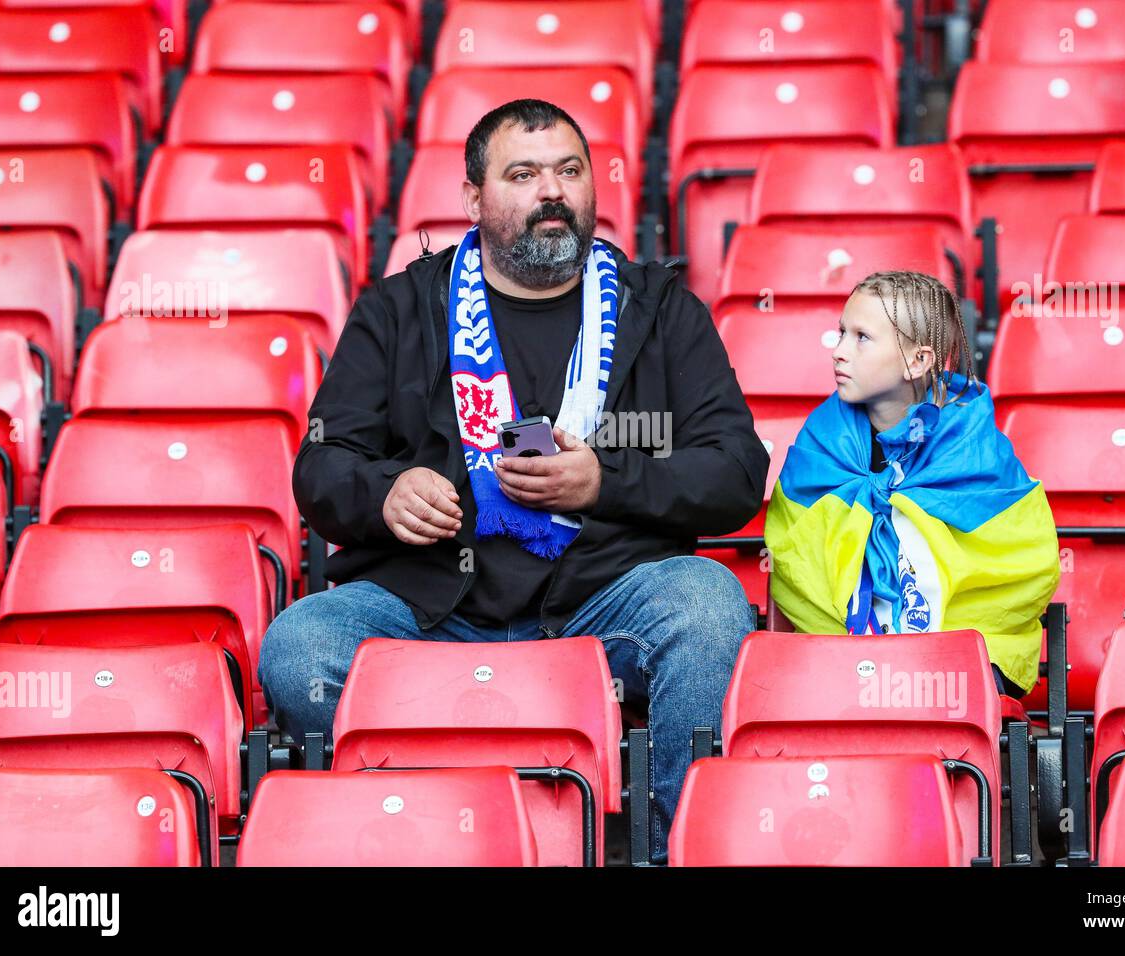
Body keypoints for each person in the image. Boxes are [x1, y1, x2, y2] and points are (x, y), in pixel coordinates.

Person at [257, 99, 770, 862]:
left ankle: (676, 852)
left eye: (569, 171)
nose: (551, 192)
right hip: (430, 604)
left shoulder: (660, 310)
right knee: (301, 645)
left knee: (705, 605)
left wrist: (605, 482)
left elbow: (735, 470)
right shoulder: (399, 311)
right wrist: (387, 493)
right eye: (523, 174)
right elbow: (322, 465)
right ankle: (415, 839)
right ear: (473, 198)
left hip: (604, 601)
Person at [764, 271, 1060, 696]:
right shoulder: (822, 440)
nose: (839, 351)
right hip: (838, 655)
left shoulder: (974, 447)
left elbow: (1022, 557)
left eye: (862, 337)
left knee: (941, 689)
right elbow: (794, 551)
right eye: (841, 333)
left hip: (965, 654)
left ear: (917, 361)